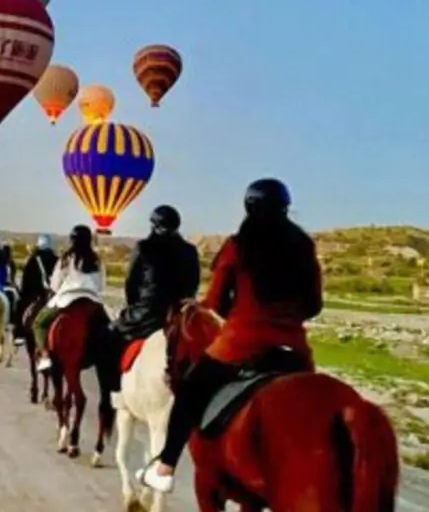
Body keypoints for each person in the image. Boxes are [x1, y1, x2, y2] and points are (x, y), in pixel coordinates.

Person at [137, 178, 323, 494]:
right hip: (294, 349)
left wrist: (237, 314)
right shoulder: (304, 246)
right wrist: (286, 320)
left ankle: (165, 468)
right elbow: (314, 305)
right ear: (286, 207)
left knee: (190, 393)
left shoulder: (237, 246)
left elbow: (217, 302)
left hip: (242, 343)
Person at [109, 205, 201, 353]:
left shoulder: (143, 247)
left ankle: (113, 376)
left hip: (147, 314)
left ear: (154, 225)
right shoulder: (190, 250)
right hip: (179, 313)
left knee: (109, 335)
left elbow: (131, 284)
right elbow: (194, 284)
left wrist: (134, 308)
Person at [32, 225, 106, 372]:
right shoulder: (97, 260)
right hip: (91, 301)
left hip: (67, 299)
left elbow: (55, 284)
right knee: (109, 328)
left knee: (39, 323)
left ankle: (45, 355)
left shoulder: (65, 258)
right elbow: (101, 285)